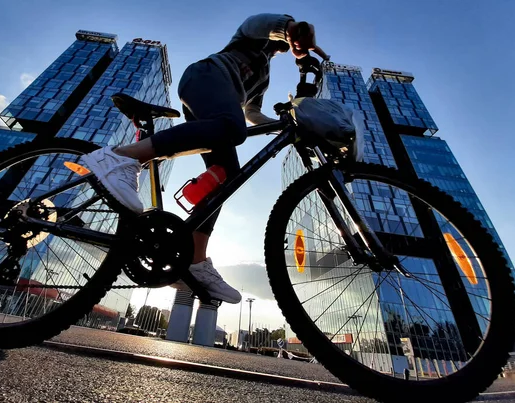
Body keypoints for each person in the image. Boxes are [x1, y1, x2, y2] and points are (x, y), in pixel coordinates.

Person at [81, 14, 329, 304]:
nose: (281, 46)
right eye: (282, 40)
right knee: (230, 125)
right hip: (204, 78)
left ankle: (195, 260)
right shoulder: (250, 36)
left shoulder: (263, 77)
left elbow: (251, 114)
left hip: (219, 105)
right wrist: (293, 29)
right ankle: (121, 157)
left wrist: (283, 122)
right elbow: (267, 24)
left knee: (228, 174)